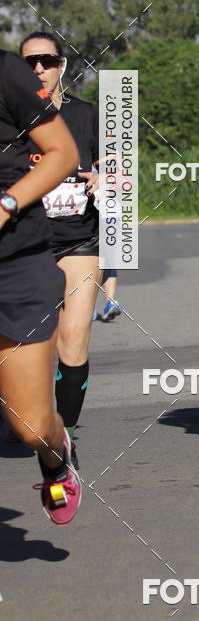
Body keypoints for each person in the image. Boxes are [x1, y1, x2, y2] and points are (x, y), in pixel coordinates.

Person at [0, 47, 82, 523]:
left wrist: (6, 205)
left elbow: (62, 153)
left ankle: (56, 460)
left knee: (31, 427)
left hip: (14, 262)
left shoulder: (6, 71)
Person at [20, 31, 100, 471]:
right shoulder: (10, 121)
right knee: (30, 344)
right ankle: (28, 411)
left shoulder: (87, 116)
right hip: (24, 243)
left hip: (79, 240)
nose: (39, 69)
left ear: (62, 66)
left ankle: (63, 439)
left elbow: (123, 176)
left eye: (47, 61)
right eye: (29, 62)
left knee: (73, 340)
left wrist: (108, 179)